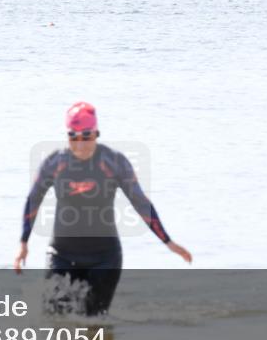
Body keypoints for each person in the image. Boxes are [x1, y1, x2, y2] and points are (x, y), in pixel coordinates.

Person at [14, 101, 192, 316]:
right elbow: (34, 200)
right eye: (73, 136)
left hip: (104, 259)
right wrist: (23, 243)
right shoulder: (55, 163)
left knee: (94, 327)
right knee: (55, 325)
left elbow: (140, 202)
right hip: (61, 255)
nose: (79, 143)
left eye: (86, 136)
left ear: (96, 133)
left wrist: (168, 241)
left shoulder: (113, 162)